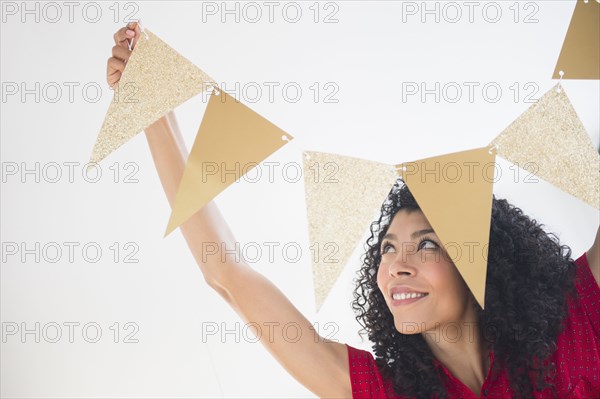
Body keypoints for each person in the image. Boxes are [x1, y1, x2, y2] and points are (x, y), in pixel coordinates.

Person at [107, 22, 600, 398]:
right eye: (386, 249)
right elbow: (227, 274)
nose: (395, 266)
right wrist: (153, 110)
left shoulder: (580, 309)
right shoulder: (382, 388)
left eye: (426, 243)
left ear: (482, 255)